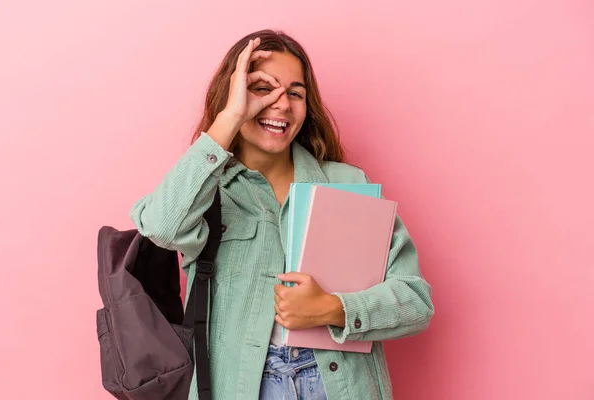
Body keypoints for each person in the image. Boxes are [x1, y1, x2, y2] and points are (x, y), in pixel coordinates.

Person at [130, 29, 434, 400]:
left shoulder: (346, 184)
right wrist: (230, 118)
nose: (281, 104)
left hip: (339, 386)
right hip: (240, 386)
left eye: (295, 93)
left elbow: (415, 301)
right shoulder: (204, 191)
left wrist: (334, 309)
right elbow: (162, 228)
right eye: (262, 89)